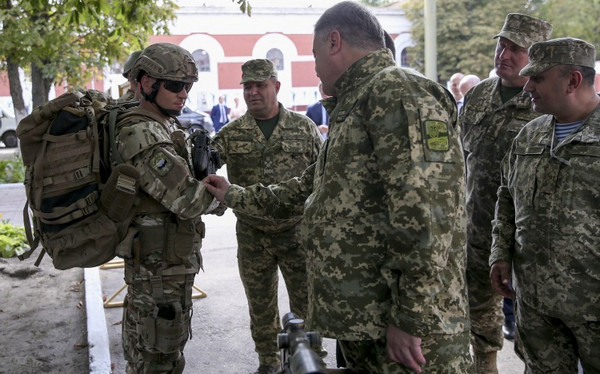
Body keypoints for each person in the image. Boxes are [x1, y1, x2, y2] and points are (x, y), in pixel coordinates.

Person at [205, 2, 472, 373]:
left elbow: (428, 216)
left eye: (314, 54)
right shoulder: (355, 105)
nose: (314, 67)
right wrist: (232, 193)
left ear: (334, 42)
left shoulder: (396, 92)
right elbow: (308, 188)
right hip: (368, 324)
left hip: (409, 338)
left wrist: (410, 317)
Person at [490, 37, 600, 373]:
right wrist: (500, 253)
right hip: (536, 304)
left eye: (538, 78)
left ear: (573, 80)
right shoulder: (530, 135)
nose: (528, 88)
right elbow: (507, 197)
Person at [211, 58, 323, 374]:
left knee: (306, 305)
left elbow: (321, 178)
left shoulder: (304, 129)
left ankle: (311, 361)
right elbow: (205, 171)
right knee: (260, 306)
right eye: (248, 86)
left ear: (276, 86)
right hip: (252, 234)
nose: (253, 92)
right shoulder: (231, 133)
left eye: (260, 85)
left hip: (296, 232)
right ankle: (269, 362)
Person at [114, 42, 220, 374]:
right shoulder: (141, 133)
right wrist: (225, 197)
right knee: (159, 361)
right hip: (158, 276)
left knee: (157, 356)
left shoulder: (162, 124)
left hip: (166, 268)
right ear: (146, 83)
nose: (184, 93)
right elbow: (188, 200)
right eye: (175, 85)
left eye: (187, 86)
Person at [457, 13, 552, 373]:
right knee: (479, 321)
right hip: (477, 230)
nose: (505, 55)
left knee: (535, 331)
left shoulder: (545, 101)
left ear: (537, 56)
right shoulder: (479, 94)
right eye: (503, 45)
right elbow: (461, 154)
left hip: (527, 241)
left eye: (517, 49)